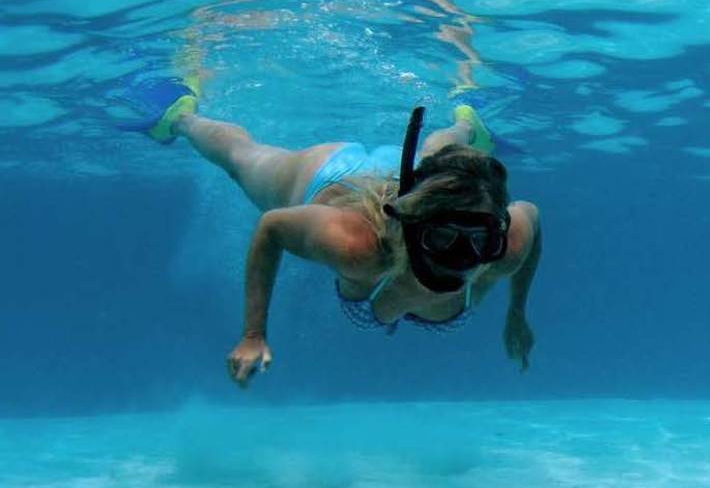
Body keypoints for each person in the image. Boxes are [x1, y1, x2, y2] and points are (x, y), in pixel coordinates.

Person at [128, 81, 541, 387]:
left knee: (439, 161)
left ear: (496, 236)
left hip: (427, 185)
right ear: (407, 222)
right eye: (441, 240)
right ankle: (182, 117)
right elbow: (272, 226)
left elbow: (531, 216)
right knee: (241, 159)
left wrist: (517, 312)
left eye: (480, 242)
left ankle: (467, 127)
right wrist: (253, 333)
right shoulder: (357, 246)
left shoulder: (506, 249)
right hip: (333, 175)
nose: (462, 259)